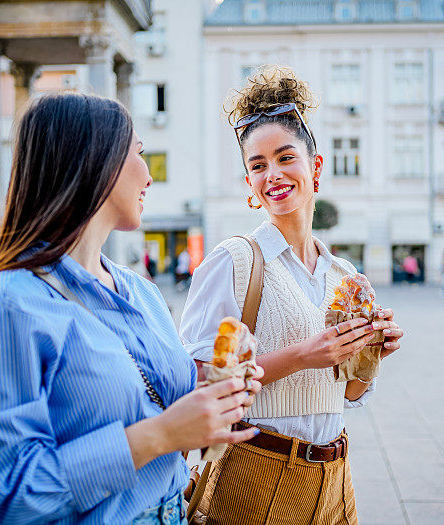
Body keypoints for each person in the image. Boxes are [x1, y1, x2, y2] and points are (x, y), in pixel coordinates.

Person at [0, 92, 263, 524]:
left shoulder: (141, 292)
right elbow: (4, 499)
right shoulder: (1, 306)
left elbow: (154, 404)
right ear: (96, 162)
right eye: (139, 153)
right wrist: (161, 434)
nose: (148, 176)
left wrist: (216, 396)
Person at [180, 66, 404, 524]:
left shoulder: (343, 274)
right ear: (249, 184)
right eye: (257, 166)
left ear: (315, 166)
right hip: (255, 476)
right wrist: (303, 355)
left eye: (285, 157)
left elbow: (348, 392)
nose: (273, 174)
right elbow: (198, 383)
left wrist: (371, 352)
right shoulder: (235, 261)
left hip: (336, 482)